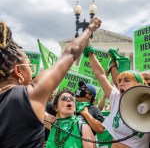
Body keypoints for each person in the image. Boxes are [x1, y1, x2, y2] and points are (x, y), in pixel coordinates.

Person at [0, 18, 101, 148]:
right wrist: (90, 28)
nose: (32, 71)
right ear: (18, 71)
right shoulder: (30, 95)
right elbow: (70, 53)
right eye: (30, 66)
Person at [84, 46, 150, 148]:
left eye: (126, 80)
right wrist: (90, 54)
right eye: (119, 81)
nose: (121, 84)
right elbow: (100, 75)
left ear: (138, 84)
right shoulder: (116, 97)